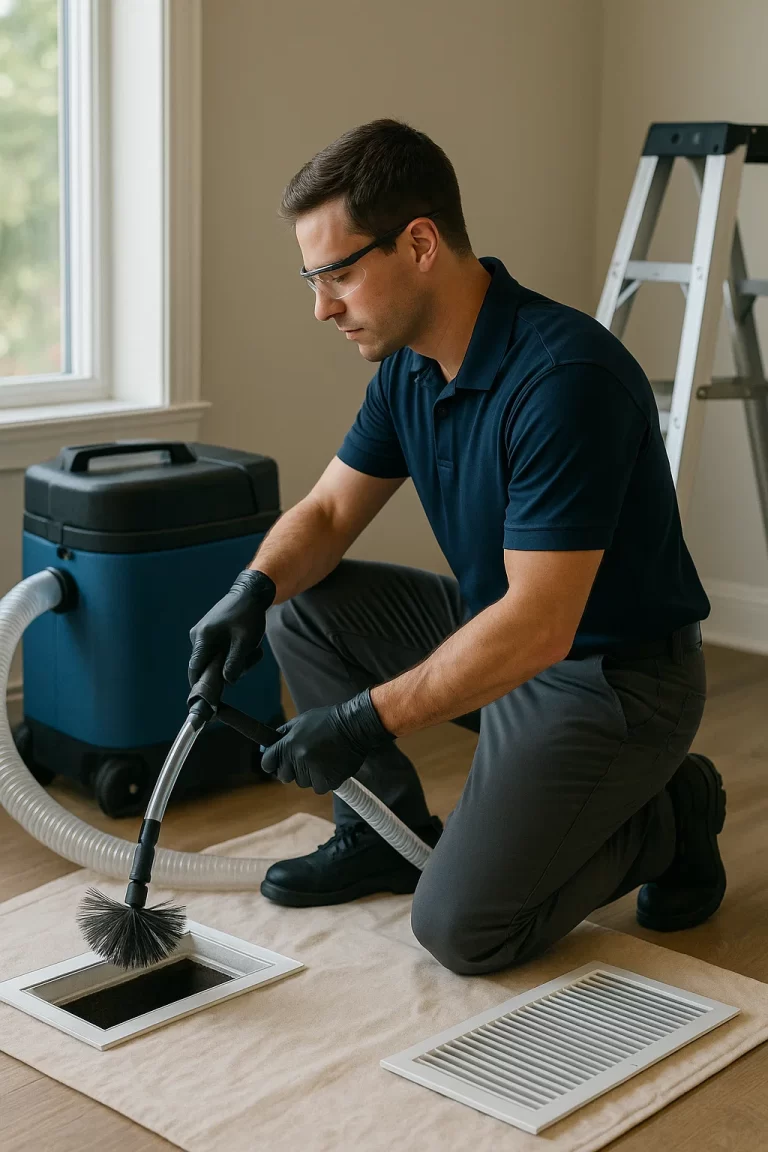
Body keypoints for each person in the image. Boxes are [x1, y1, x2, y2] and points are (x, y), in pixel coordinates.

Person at [187, 119, 726, 976]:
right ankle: (381, 835)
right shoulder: (407, 366)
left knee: (464, 929)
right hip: (510, 636)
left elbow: (543, 628)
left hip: (612, 678)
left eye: (339, 274)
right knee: (304, 610)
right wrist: (249, 589)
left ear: (421, 244)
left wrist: (358, 721)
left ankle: (671, 815)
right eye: (312, 278)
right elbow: (327, 515)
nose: (322, 307)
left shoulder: (562, 382)